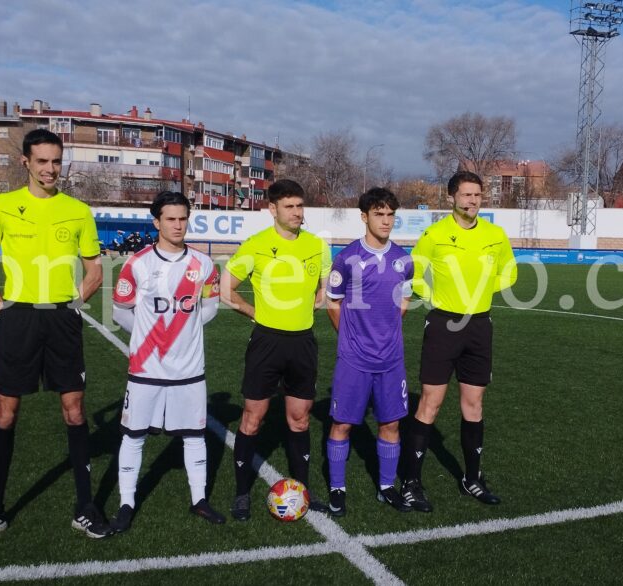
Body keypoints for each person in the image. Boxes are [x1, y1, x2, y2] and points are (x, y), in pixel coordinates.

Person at [0, 128, 110, 545]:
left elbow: (95, 270)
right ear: (25, 162)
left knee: (75, 411)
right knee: (6, 412)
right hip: (19, 320)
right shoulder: (3, 205)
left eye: (56, 161)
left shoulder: (78, 211)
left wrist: (73, 304)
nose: (50, 169)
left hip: (62, 320)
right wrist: (2, 308)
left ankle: (85, 508)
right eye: (42, 161)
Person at [110, 191, 226, 532]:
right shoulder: (138, 263)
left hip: (189, 369)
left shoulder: (204, 265)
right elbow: (120, 312)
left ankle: (199, 500)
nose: (178, 225)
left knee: (194, 435)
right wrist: (148, 340)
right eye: (170, 219)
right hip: (146, 368)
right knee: (134, 436)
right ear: (156, 222)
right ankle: (126, 503)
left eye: (183, 218)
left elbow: (210, 307)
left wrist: (185, 332)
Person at [402, 170, 517, 511]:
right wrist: (432, 296)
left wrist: (482, 289)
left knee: (474, 404)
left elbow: (510, 272)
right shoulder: (435, 234)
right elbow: (412, 272)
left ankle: (472, 478)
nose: (472, 201)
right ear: (451, 197)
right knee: (431, 403)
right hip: (443, 325)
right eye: (466, 195)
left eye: (477, 195)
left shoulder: (495, 235)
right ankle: (411, 482)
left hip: (479, 326)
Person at [221, 179, 331, 521]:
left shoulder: (317, 245)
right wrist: (254, 313)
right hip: (266, 342)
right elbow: (225, 289)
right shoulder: (256, 245)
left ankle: (303, 491)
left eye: (300, 206)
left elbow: (325, 289)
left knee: (299, 419)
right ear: (272, 209)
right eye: (289, 206)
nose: (297, 212)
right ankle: (242, 494)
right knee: (252, 418)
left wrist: (312, 304)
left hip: (303, 342)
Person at [325, 188, 414, 517]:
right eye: (379, 214)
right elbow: (333, 303)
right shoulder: (347, 258)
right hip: (354, 359)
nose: (386, 220)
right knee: (342, 424)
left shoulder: (404, 260)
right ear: (364, 217)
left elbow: (404, 300)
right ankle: (337, 488)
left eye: (390, 214)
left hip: (391, 359)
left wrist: (386, 330)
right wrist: (350, 337)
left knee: (391, 424)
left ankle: (386, 486)